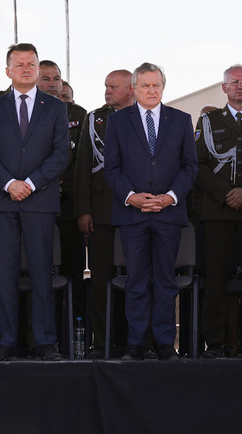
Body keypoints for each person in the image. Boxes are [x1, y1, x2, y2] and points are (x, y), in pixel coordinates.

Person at [0, 43, 70, 361]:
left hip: (39, 201)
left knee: (41, 273)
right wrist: (9, 184)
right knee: (4, 274)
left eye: (32, 64)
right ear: (8, 71)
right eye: (20, 65)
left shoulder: (55, 107)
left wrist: (29, 184)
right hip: (3, 202)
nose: (27, 69)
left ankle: (44, 342)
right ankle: (7, 341)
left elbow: (61, 154)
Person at [103, 62, 197, 361]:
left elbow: (189, 166)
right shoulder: (117, 122)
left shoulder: (181, 120)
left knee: (166, 281)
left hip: (168, 214)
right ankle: (136, 344)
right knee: (137, 281)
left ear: (163, 87)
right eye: (145, 85)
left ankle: (165, 344)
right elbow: (112, 168)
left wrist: (170, 197)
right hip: (132, 214)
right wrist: (131, 197)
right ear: (134, 89)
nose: (152, 90)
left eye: (156, 85)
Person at [195, 64, 242, 359]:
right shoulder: (209, 122)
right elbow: (197, 165)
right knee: (215, 279)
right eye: (234, 82)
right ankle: (215, 342)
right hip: (218, 210)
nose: (240, 86)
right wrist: (226, 193)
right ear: (224, 88)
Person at [75, 69, 135, 359]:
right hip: (101, 212)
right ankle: (102, 341)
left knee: (137, 279)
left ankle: (136, 341)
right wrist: (83, 210)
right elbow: (82, 166)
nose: (107, 91)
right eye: (106, 86)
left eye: (113, 87)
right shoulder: (95, 119)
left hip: (138, 211)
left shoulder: (146, 116)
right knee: (100, 281)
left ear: (131, 89)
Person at [37, 60, 88, 351]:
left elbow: (83, 163)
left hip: (67, 210)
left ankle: (72, 343)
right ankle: (36, 341)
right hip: (33, 207)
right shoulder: (27, 111)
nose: (53, 84)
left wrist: (62, 187)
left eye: (56, 78)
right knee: (37, 277)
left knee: (72, 277)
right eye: (46, 78)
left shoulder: (79, 115)